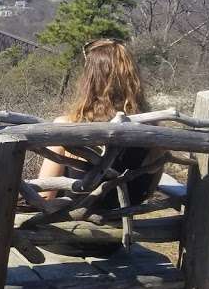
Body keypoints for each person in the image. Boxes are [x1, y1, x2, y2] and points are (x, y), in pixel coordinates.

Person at [38, 38, 158, 207]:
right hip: (124, 218)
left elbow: (44, 196)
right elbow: (148, 190)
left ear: (90, 80)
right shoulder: (154, 130)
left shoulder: (67, 126)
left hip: (72, 223)